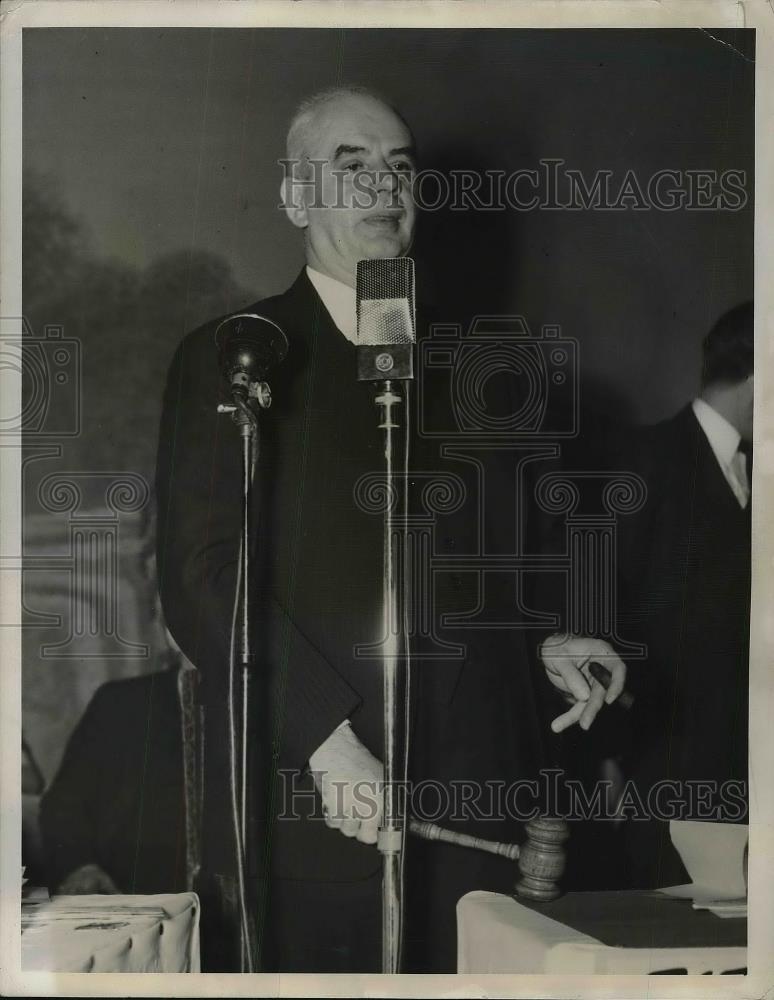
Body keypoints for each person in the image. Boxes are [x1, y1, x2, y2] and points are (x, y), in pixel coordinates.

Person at [155, 85, 624, 973]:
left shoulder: (484, 367)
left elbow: (483, 573)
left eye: (401, 168)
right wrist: (327, 744)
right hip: (322, 820)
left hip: (486, 831)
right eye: (352, 165)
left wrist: (546, 638)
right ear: (295, 197)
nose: (384, 186)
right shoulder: (236, 355)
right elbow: (201, 576)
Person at [605, 302, 753, 887]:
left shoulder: (758, 468)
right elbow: (603, 612)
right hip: (661, 766)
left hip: (743, 768)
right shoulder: (646, 459)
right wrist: (608, 756)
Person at [39, 658, 192, 896]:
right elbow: (64, 806)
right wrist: (82, 868)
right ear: (167, 632)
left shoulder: (263, 702)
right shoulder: (121, 702)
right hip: (130, 894)